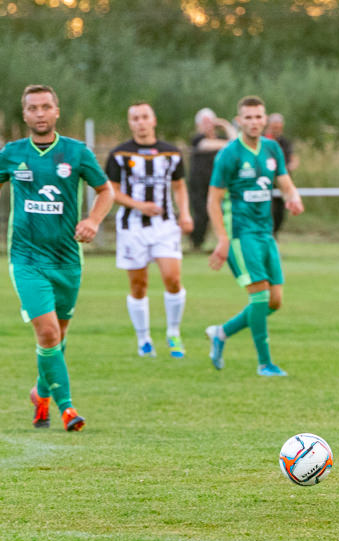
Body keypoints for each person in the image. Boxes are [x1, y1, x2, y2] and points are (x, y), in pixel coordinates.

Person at [0, 84, 114, 431]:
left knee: (57, 337)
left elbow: (105, 190)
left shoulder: (77, 152)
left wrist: (92, 220)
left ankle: (41, 395)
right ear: (25, 114)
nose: (39, 113)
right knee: (48, 333)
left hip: (67, 261)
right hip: (27, 259)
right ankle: (67, 408)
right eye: (32, 108)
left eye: (45, 107)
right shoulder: (13, 152)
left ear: (56, 111)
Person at [205, 96, 304, 376]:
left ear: (265, 119)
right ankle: (265, 363)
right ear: (239, 121)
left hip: (265, 233)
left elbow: (285, 183)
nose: (254, 122)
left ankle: (221, 333)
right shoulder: (229, 154)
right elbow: (213, 200)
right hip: (240, 235)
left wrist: (293, 198)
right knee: (259, 297)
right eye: (248, 117)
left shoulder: (272, 148)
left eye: (258, 116)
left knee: (274, 301)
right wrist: (222, 239)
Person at [105, 102, 193, 358]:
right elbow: (111, 191)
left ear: (153, 120)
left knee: (173, 279)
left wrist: (185, 214)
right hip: (132, 227)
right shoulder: (119, 154)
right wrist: (139, 206)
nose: (140, 122)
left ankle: (173, 333)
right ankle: (143, 339)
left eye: (144, 117)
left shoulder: (171, 153)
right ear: (129, 123)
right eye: (134, 118)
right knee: (138, 285)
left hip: (164, 226)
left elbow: (179, 187)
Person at [188, 108, 236, 250]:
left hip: (217, 183)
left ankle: (226, 241)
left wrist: (225, 125)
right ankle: (196, 243)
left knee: (222, 213)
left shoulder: (221, 139)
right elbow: (207, 145)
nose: (207, 125)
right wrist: (227, 145)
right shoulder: (197, 139)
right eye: (204, 123)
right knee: (201, 213)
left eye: (210, 122)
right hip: (198, 184)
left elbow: (236, 144)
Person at [264, 113, 299, 239]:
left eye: (279, 127)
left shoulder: (285, 142)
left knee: (279, 212)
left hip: (281, 183)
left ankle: (274, 235)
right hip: (265, 183)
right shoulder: (263, 140)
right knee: (267, 210)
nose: (277, 130)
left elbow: (292, 159)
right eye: (274, 127)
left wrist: (291, 166)